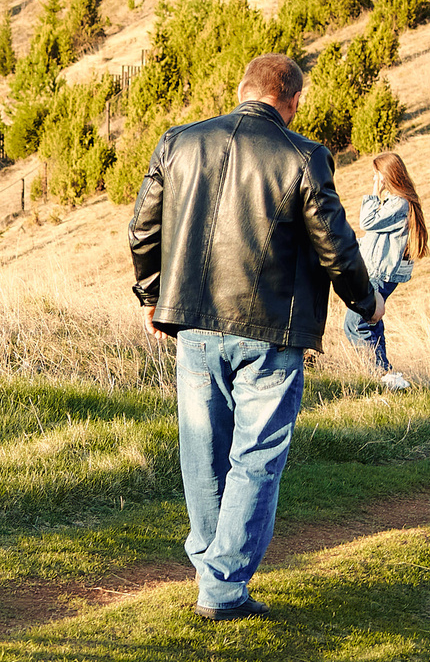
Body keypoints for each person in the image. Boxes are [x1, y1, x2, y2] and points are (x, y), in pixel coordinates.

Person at [127, 53, 380, 622]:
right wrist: (369, 302)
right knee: (255, 458)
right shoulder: (305, 157)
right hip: (271, 331)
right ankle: (221, 586)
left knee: (202, 452)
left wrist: (150, 297)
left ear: (241, 89)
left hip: (193, 324)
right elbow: (335, 246)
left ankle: (212, 572)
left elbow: (143, 229)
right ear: (293, 99)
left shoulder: (178, 143)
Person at [342, 150, 430, 391]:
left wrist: (374, 193)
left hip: (380, 274)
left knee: (354, 323)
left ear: (387, 175)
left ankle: (379, 373)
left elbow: (367, 222)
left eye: (377, 175)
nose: (374, 179)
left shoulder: (399, 203)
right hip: (376, 271)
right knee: (371, 322)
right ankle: (387, 375)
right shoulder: (397, 202)